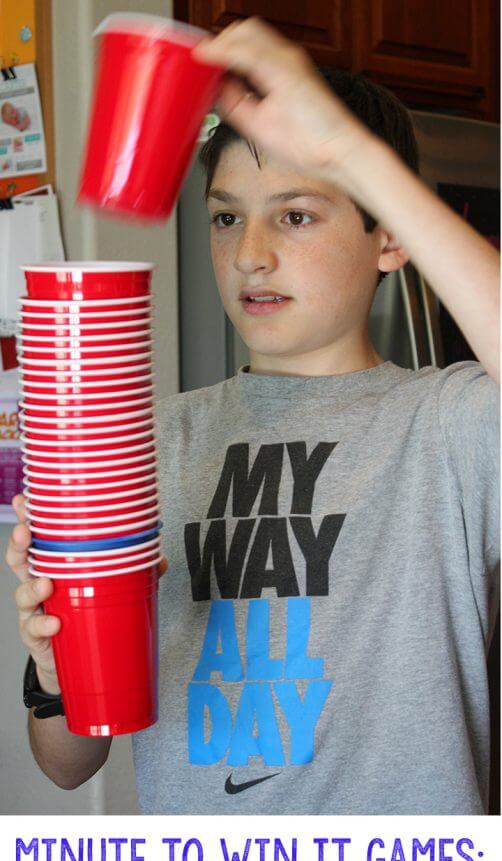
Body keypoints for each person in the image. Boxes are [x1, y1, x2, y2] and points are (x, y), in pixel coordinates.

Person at [5, 17, 500, 813]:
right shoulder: (143, 444)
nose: (249, 255)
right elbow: (68, 764)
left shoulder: (449, 426)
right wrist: (54, 675)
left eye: (296, 215)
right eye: (227, 216)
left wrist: (354, 154)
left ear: (392, 238)